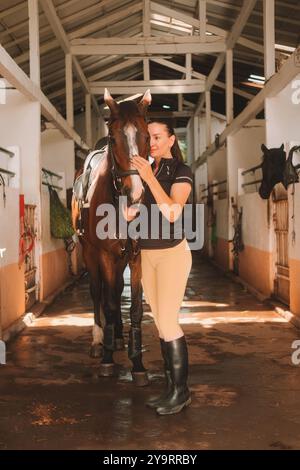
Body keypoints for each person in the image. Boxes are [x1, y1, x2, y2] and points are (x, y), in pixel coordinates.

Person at [130, 120, 193, 416]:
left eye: (157, 137)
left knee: (169, 323)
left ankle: (182, 393)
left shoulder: (181, 171)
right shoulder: (147, 172)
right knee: (160, 324)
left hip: (171, 255)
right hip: (147, 255)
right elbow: (139, 214)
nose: (151, 142)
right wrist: (130, 210)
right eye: (148, 137)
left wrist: (147, 178)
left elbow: (171, 213)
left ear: (170, 140)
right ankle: (170, 389)